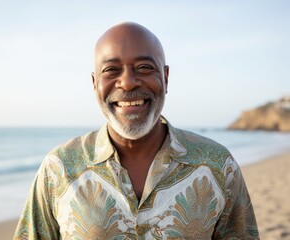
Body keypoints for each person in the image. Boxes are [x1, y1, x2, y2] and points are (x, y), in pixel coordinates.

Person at [14, 22, 259, 239]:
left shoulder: (217, 165)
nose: (128, 82)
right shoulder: (59, 168)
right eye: (111, 70)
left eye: (144, 67)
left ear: (165, 77)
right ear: (94, 83)